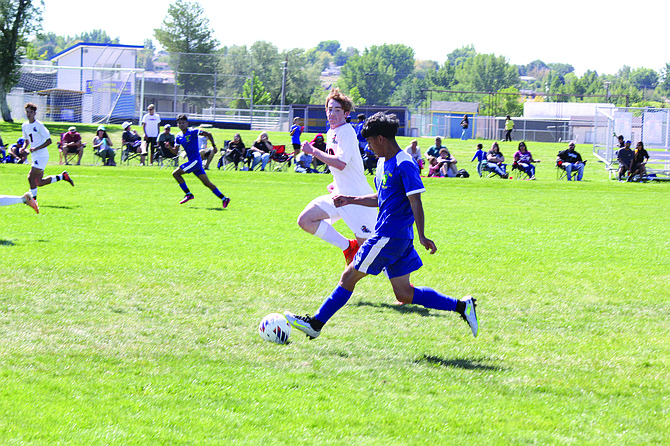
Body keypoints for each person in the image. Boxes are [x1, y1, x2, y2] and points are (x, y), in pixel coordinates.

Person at [284, 112, 478, 340]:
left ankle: (316, 324)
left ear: (381, 139)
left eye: (369, 141)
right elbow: (382, 198)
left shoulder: (405, 164)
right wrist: (349, 199)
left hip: (389, 236)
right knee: (404, 294)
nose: (368, 147)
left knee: (349, 277)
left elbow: (416, 200)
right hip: (397, 238)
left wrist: (423, 236)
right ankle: (462, 306)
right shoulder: (381, 163)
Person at [298, 88, 377, 265]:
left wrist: (313, 151)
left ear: (346, 113)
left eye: (337, 110)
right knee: (305, 220)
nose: (332, 113)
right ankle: (348, 247)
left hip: (357, 199)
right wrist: (335, 182)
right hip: (340, 196)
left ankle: (405, 288)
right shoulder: (332, 132)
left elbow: (341, 162)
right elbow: (342, 166)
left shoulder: (346, 131)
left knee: (371, 258)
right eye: (330, 109)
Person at [171, 114, 230, 208]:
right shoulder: (178, 136)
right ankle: (224, 198)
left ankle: (188, 194)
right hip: (194, 163)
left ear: (187, 123)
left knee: (176, 174)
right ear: (177, 124)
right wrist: (168, 147)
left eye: (183, 122)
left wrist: (214, 146)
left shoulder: (193, 132)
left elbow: (209, 134)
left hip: (195, 161)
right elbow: (175, 151)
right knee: (207, 183)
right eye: (179, 123)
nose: (181, 124)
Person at [22, 103, 74, 203]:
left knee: (30, 177)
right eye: (27, 112)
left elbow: (49, 141)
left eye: (31, 112)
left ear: (34, 113)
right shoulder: (24, 125)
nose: (29, 114)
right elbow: (26, 141)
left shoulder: (39, 125)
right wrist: (24, 148)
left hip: (42, 155)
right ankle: (62, 176)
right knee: (39, 182)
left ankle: (33, 201)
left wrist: (36, 148)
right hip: (35, 155)